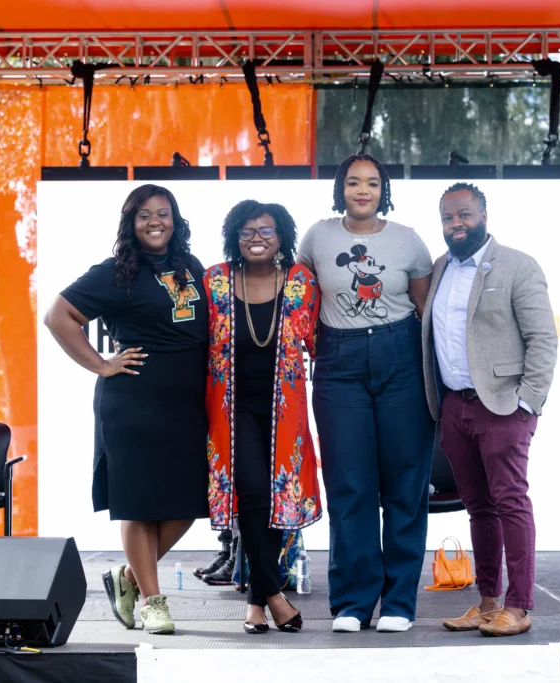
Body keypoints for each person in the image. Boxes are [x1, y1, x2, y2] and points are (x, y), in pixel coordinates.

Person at [43, 184, 209, 635]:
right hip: (135, 402)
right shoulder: (116, 272)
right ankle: (154, 601)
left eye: (163, 212)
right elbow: (58, 316)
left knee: (189, 501)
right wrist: (100, 363)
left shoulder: (190, 266)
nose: (155, 221)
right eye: (144, 215)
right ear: (130, 224)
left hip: (188, 405)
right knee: (139, 504)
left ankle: (129, 576)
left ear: (175, 219)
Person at [297, 154, 435, 633]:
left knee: (404, 484)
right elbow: (302, 298)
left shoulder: (408, 240)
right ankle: (353, 603)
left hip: (400, 359)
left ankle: (398, 603)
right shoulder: (317, 236)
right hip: (339, 362)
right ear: (341, 189)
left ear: (384, 190)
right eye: (353, 182)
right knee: (349, 485)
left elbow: (425, 310)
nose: (362, 190)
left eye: (372, 183)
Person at [423, 182, 558, 637]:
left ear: (483, 215)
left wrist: (526, 403)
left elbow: (543, 338)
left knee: (510, 503)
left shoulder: (518, 265)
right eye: (447, 217)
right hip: (454, 407)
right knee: (478, 508)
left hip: (502, 406)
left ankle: (518, 606)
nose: (455, 224)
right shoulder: (439, 267)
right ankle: (486, 603)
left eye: (464, 215)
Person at [203, 199, 322, 634]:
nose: (257, 239)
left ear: (282, 237)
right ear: (235, 236)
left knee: (274, 503)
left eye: (266, 231)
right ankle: (274, 594)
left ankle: (257, 602)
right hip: (231, 412)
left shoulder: (300, 281)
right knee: (252, 495)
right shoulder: (215, 281)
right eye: (248, 232)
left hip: (283, 411)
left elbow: (316, 337)